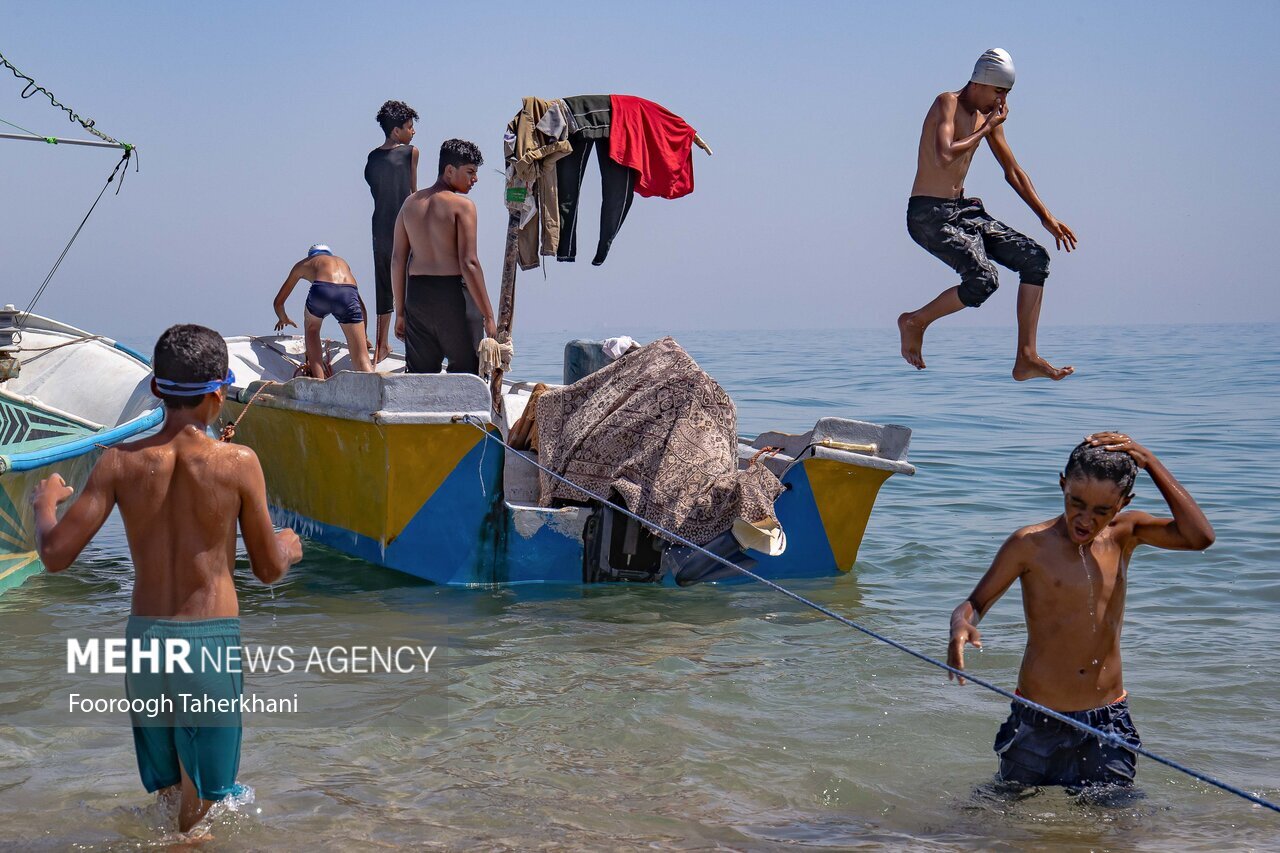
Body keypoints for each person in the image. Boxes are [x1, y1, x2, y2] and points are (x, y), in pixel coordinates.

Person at [31, 324, 303, 835]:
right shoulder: (239, 463)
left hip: (145, 642)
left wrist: (45, 503)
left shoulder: (119, 462)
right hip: (207, 643)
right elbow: (267, 570)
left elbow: (54, 555)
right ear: (220, 392)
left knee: (171, 794)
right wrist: (288, 547)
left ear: (156, 389)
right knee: (202, 806)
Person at [948, 433, 1214, 791]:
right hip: (1038, 717)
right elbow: (975, 604)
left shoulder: (1126, 533)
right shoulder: (1029, 544)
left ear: (1123, 503)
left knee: (1111, 823)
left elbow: (1200, 537)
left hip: (1106, 721)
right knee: (1005, 814)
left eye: (1102, 511)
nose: (1085, 519)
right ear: (1062, 485)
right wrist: (960, 624)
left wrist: (1149, 461)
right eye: (1076, 503)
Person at [898, 48, 1078, 381]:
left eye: (1006, 94)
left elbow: (1013, 171)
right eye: (999, 91)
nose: (1001, 101)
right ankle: (915, 321)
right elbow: (944, 155)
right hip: (928, 215)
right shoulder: (946, 103)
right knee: (984, 280)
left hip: (963, 211)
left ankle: (1026, 357)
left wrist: (1046, 217)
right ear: (981, 81)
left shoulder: (988, 117)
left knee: (1035, 258)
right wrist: (988, 126)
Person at [392, 138, 498, 375]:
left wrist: (400, 313)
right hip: (453, 297)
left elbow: (398, 260)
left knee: (421, 376)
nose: (475, 179)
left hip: (417, 297)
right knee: (466, 373)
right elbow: (469, 263)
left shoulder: (409, 204)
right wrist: (489, 316)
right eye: (470, 171)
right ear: (449, 170)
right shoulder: (462, 206)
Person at [365, 100, 419, 364]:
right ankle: (413, 347)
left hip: (379, 226)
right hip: (405, 226)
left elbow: (375, 187)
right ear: (396, 131)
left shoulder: (372, 158)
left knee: (383, 285)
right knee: (408, 284)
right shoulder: (410, 153)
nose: (413, 131)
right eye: (410, 127)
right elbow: (413, 193)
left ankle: (381, 345)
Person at [272, 244, 375, 377]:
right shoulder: (342, 263)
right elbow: (360, 307)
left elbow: (278, 302)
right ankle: (371, 380)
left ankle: (319, 379)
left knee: (312, 329)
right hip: (348, 293)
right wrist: (364, 337)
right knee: (362, 358)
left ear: (311, 256)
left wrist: (283, 318)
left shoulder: (304, 264)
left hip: (321, 291)